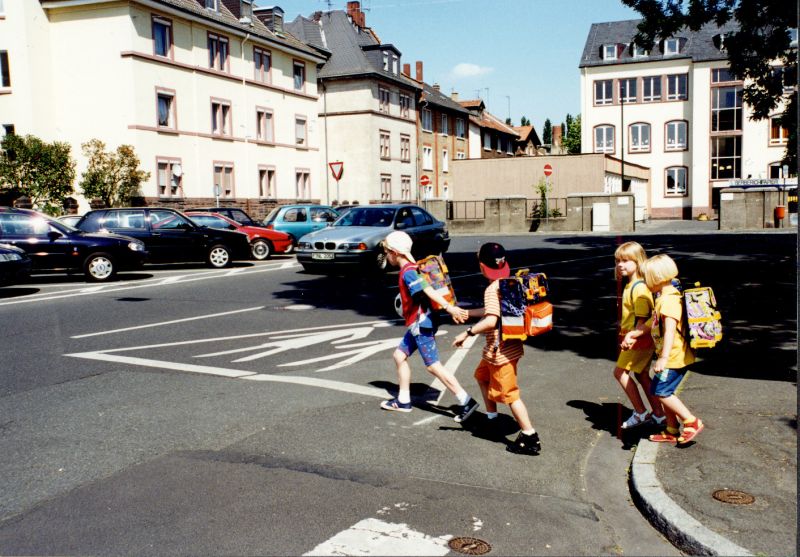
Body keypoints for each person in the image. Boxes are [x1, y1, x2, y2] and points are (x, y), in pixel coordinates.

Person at [379, 231, 479, 422]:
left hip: (421, 324)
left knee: (433, 366)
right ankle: (403, 400)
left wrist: (451, 308)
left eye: (387, 252)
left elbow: (427, 289)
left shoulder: (408, 271)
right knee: (399, 356)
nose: (386, 256)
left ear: (394, 252)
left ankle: (466, 400)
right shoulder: (410, 267)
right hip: (420, 322)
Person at [452, 242, 541, 455]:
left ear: (482, 266)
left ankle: (530, 435)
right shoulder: (508, 283)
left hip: (500, 352)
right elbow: (493, 311)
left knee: (510, 394)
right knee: (482, 376)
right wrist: (469, 313)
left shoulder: (492, 289)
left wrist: (468, 332)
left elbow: (491, 320)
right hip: (507, 347)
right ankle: (492, 419)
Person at [625, 254, 704, 445]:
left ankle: (691, 421)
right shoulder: (664, 297)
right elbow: (653, 323)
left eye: (646, 278)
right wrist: (634, 334)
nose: (644, 282)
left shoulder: (669, 301)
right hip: (670, 355)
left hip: (674, 357)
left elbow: (669, 331)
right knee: (662, 389)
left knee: (661, 391)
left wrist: (664, 358)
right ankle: (671, 429)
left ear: (657, 278)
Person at [614, 241, 665, 429]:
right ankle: (659, 415)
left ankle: (640, 412)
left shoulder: (639, 288)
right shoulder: (632, 285)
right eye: (618, 260)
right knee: (642, 375)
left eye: (626, 260)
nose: (621, 264)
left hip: (637, 339)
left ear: (639, 261)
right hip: (637, 338)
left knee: (620, 373)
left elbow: (644, 320)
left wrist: (631, 336)